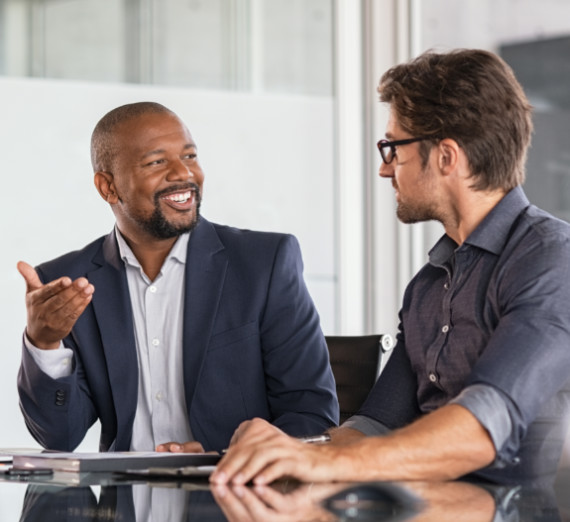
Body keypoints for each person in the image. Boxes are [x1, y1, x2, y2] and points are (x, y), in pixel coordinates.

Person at [210, 48, 570, 486]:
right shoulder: (427, 286)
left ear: (446, 157)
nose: (385, 170)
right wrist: (262, 454)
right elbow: (373, 427)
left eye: (392, 148)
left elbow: (485, 425)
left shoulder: (551, 259)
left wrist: (321, 465)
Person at [17, 101, 339, 453]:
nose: (183, 173)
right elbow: (59, 437)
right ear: (108, 187)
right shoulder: (68, 283)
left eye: (189, 156)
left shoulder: (264, 264)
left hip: (233, 495)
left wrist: (226, 458)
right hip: (124, 501)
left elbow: (311, 415)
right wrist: (44, 344)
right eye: (157, 162)